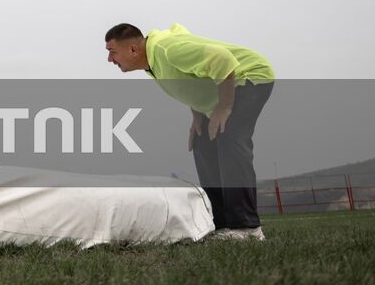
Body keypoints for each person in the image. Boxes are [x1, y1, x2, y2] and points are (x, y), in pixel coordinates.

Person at [104, 22, 274, 241]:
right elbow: (194, 81)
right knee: (203, 143)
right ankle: (222, 225)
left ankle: (247, 228)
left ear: (133, 50)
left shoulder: (168, 51)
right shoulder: (153, 63)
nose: (110, 60)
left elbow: (221, 59)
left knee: (230, 138)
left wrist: (224, 107)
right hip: (220, 93)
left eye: (112, 52)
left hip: (250, 77)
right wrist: (198, 116)